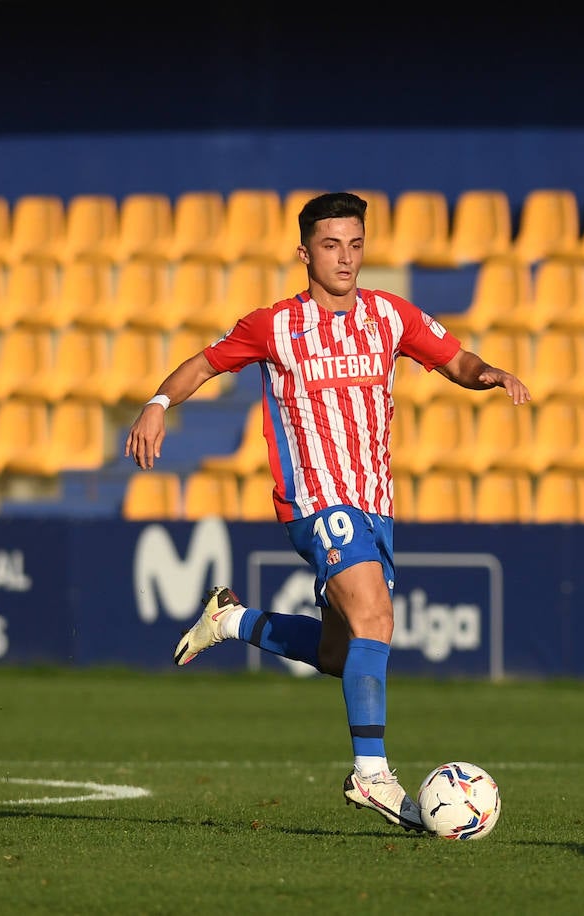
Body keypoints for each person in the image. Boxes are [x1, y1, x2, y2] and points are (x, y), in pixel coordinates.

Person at [125, 191, 531, 830]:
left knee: (345, 653)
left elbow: (454, 359)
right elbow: (204, 363)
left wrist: (490, 374)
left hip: (375, 504)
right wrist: (156, 403)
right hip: (314, 500)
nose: (346, 258)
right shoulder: (274, 325)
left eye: (356, 243)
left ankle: (232, 622)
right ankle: (371, 774)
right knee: (375, 612)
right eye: (331, 245)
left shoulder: (389, 316)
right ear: (305, 252)